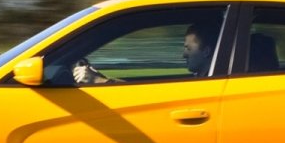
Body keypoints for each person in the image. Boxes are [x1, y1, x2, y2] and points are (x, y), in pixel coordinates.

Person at [70, 20, 215, 85]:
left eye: (188, 48)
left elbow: (160, 100)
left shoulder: (207, 85)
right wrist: (102, 79)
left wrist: (98, 81)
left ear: (206, 51)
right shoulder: (202, 78)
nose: (183, 55)